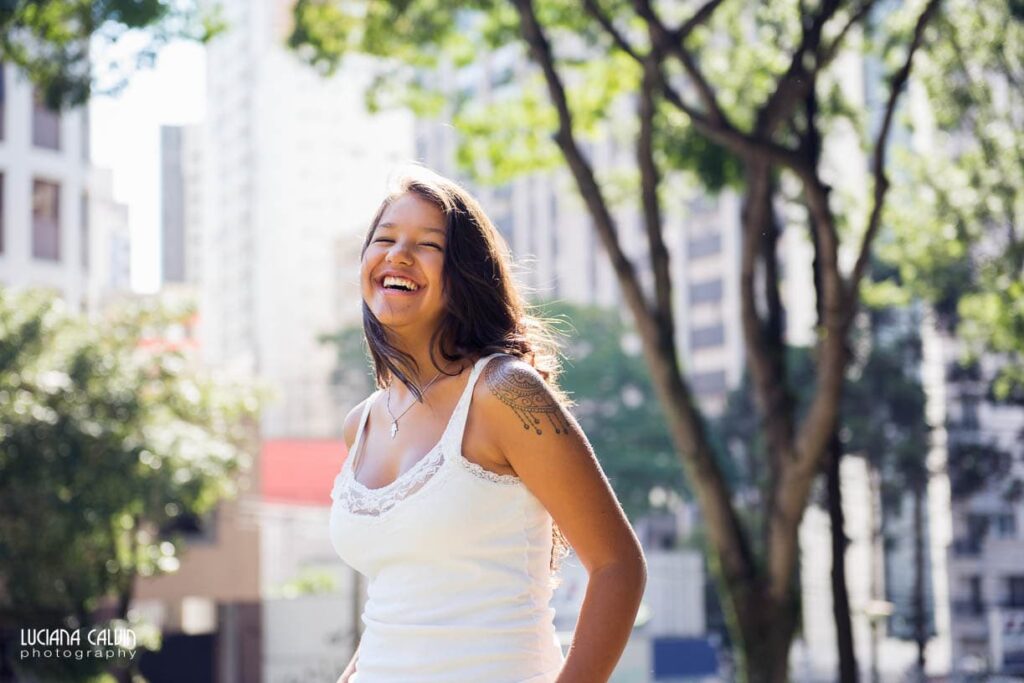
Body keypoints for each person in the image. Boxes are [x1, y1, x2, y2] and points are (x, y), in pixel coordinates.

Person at [329, 166, 647, 683]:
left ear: (465, 274)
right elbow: (401, 603)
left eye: (427, 244)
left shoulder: (504, 392)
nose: (398, 254)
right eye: (384, 239)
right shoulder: (360, 424)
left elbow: (618, 566)